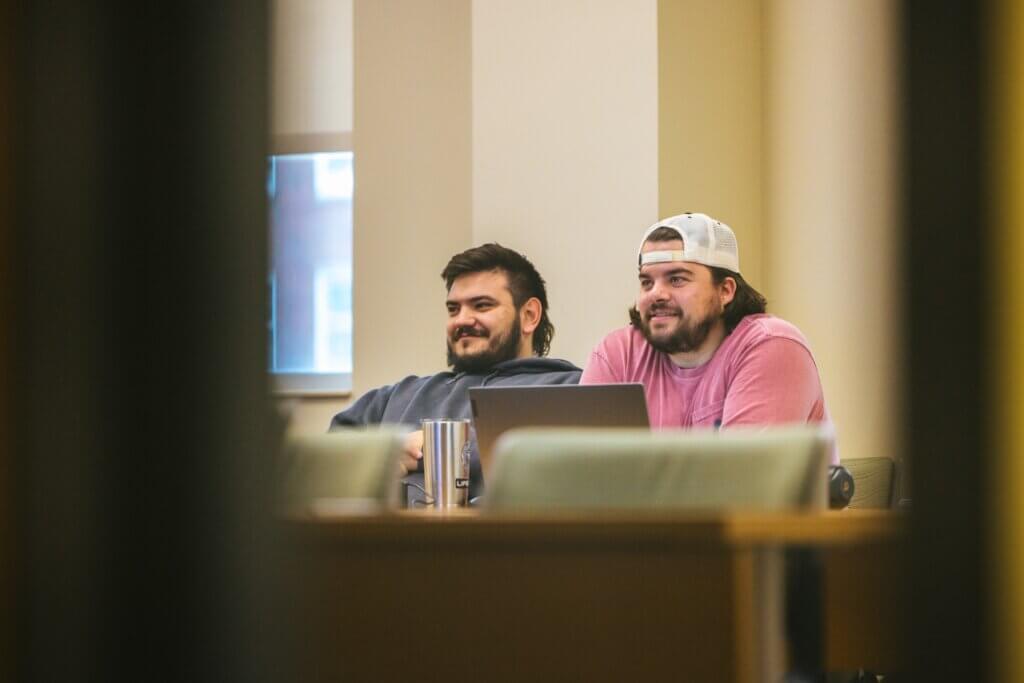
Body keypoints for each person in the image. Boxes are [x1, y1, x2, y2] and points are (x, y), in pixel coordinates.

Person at [329, 243, 581, 500]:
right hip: (392, 538)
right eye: (453, 309)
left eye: (481, 305)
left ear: (529, 315)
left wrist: (443, 448)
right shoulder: (399, 396)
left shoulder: (571, 389)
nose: (461, 320)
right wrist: (388, 452)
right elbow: (323, 462)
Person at [581, 212, 837, 463]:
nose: (656, 294)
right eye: (647, 282)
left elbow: (740, 483)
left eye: (677, 279)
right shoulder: (617, 354)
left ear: (725, 290)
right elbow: (578, 472)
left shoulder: (772, 346)